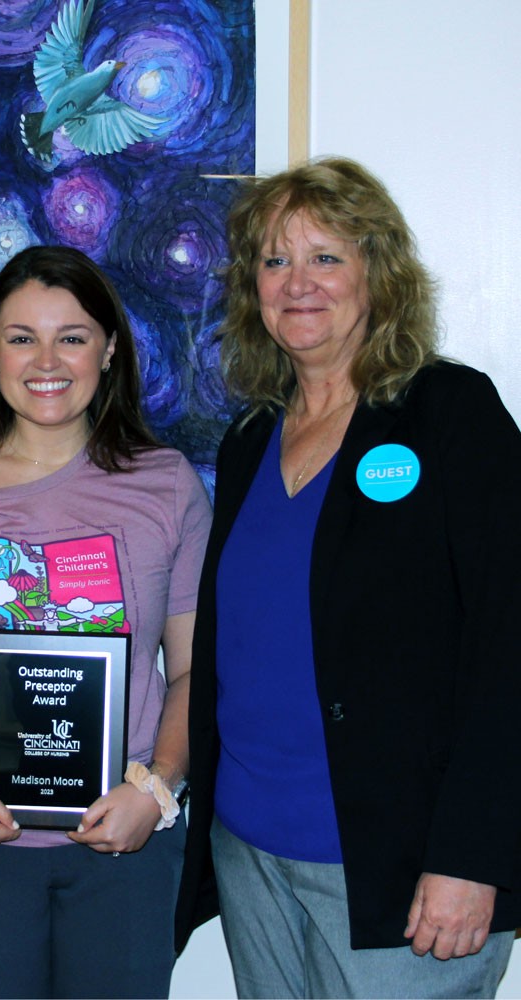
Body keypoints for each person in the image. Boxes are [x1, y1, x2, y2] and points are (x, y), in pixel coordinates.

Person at [174, 157, 521, 998]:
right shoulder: (252, 438)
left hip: (400, 869)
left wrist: (473, 856)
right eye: (275, 260)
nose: (299, 283)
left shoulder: (450, 412)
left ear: (379, 274)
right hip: (251, 852)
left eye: (326, 257)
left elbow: (510, 643)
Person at [0, 245, 212, 999]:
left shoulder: (166, 486)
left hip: (122, 845)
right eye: (22, 336)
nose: (46, 359)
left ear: (110, 349)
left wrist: (156, 790)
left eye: (73, 335)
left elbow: (193, 670)